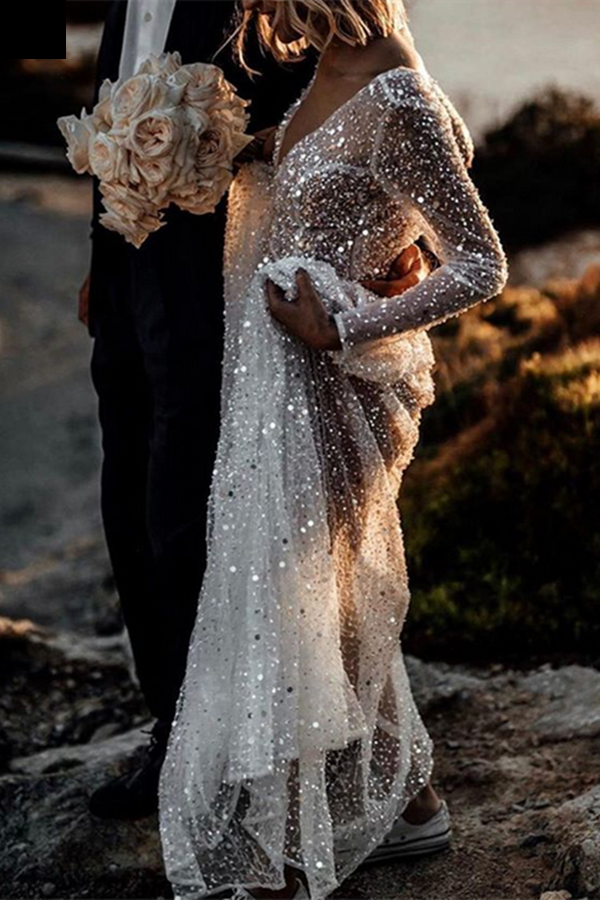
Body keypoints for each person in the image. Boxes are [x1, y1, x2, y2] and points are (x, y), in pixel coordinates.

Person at [157, 1, 509, 899]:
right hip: (280, 385)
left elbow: (481, 261)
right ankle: (414, 804)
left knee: (299, 598)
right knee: (327, 599)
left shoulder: (401, 92)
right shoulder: (330, 63)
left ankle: (285, 847)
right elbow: (349, 191)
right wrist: (262, 150)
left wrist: (350, 320)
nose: (256, 10)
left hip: (334, 382)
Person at [83, 0, 433, 820]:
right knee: (126, 501)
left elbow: (365, 105)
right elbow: (113, 120)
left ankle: (223, 754)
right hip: (127, 282)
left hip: (228, 294)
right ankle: (172, 728)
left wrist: (393, 247)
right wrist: (102, 262)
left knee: (192, 519)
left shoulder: (267, 6)